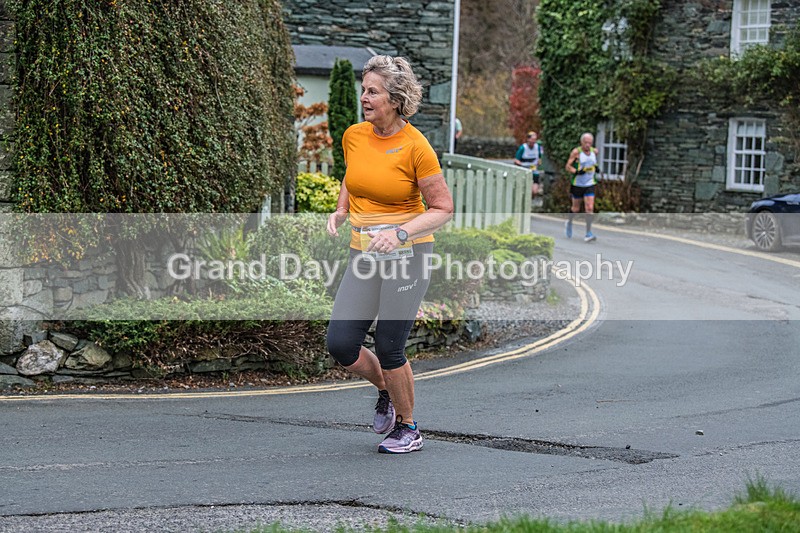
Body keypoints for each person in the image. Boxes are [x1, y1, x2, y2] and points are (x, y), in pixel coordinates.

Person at [325, 55, 454, 454]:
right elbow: (353, 174)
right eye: (364, 90)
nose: (364, 97)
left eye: (372, 91)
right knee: (341, 343)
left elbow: (442, 208)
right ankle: (386, 388)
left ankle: (409, 427)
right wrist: (343, 208)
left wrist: (399, 233)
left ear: (395, 99)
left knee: (389, 345)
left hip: (408, 254)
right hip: (363, 252)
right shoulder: (354, 135)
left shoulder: (417, 147)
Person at [564, 132, 599, 242]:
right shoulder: (576, 152)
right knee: (575, 208)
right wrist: (576, 171)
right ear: (581, 142)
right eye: (586, 143)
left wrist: (596, 168)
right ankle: (569, 221)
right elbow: (567, 166)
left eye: (590, 143)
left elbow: (593, 163)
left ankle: (588, 233)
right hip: (578, 184)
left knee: (589, 208)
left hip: (590, 183)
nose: (588, 145)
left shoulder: (594, 151)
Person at [514, 131, 544, 198]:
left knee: (535, 191)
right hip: (524, 170)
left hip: (533, 170)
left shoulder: (537, 147)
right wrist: (522, 164)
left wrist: (539, 162)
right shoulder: (523, 148)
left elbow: (539, 158)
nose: (533, 142)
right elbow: (516, 160)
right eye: (532, 140)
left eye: (535, 140)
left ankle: (531, 200)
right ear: (528, 139)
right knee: (527, 191)